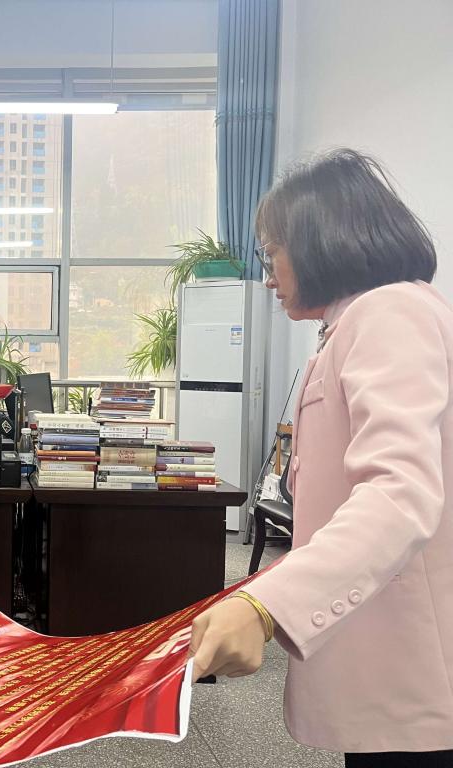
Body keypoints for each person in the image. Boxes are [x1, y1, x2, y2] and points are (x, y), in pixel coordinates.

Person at [189, 149, 453, 767]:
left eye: (271, 255)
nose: (268, 277)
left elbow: (399, 492)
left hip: (412, 657)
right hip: (380, 642)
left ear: (320, 244)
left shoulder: (391, 313)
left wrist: (265, 605)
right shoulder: (357, 322)